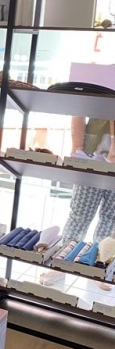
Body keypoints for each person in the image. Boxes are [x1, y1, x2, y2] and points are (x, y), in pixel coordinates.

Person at [41, 116, 115, 288]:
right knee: (80, 214)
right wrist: (77, 148)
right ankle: (63, 261)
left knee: (110, 218)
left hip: (100, 150)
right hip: (91, 153)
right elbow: (79, 111)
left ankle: (100, 264)